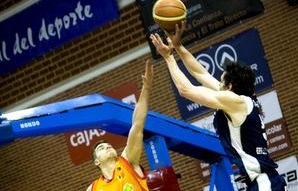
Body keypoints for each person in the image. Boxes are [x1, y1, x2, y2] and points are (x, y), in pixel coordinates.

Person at [150, 21, 286, 191]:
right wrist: (178, 46)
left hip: (264, 183)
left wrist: (169, 58)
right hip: (263, 182)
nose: (217, 83)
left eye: (221, 81)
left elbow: (185, 90)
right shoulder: (239, 101)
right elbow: (201, 73)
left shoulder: (236, 102)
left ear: (229, 87)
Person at [86, 60, 152, 191]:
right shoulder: (93, 188)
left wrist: (146, 88)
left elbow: (137, 126)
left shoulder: (128, 161)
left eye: (108, 145)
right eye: (101, 148)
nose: (107, 147)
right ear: (97, 162)